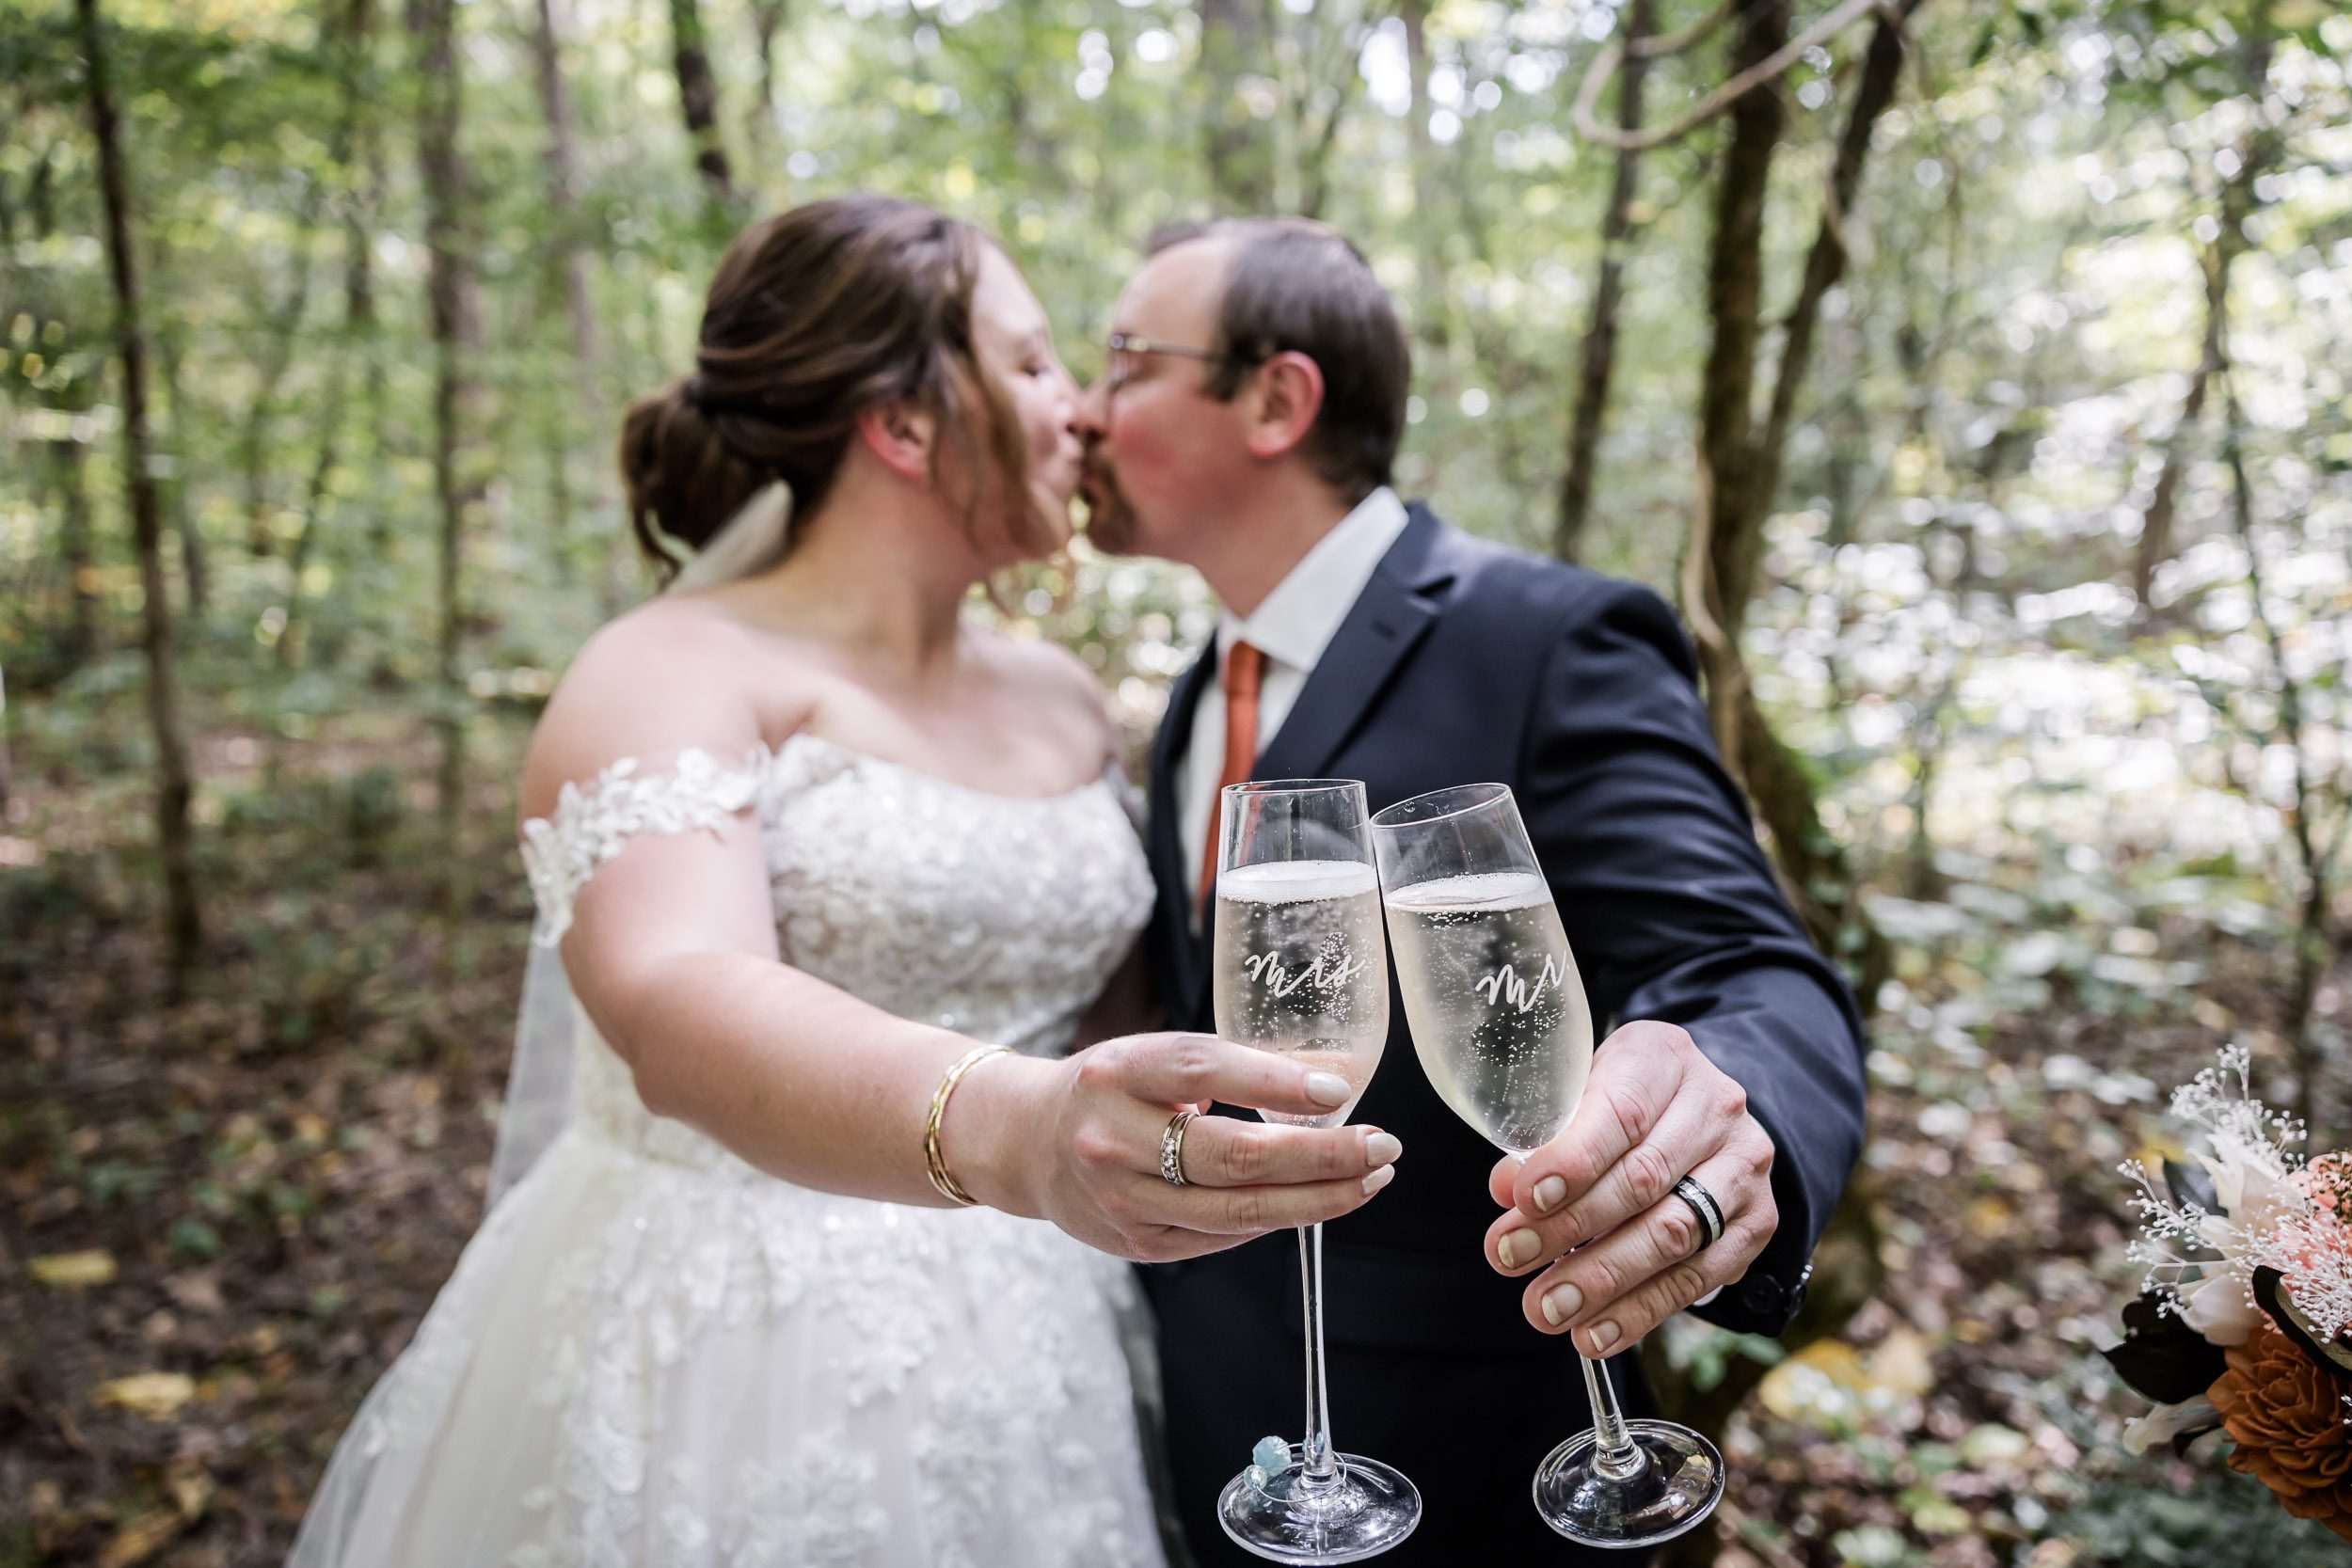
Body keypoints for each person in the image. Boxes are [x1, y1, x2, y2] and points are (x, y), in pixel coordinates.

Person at [284, 196, 1405, 1568]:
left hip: (1046, 1339)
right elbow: (677, 998)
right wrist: (1016, 1128)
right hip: (736, 1344)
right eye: (1035, 362)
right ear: (906, 424)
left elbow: (1118, 1033)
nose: (1079, 410)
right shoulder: (669, 669)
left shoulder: (1065, 701)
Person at [1076, 216, 1868, 1563]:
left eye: (1126, 364)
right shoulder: (1199, 689)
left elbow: (1747, 966)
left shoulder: (1547, 636)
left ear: (1275, 399)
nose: (1085, 412)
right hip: (1217, 1443)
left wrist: (1730, 1126)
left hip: (1470, 1464)